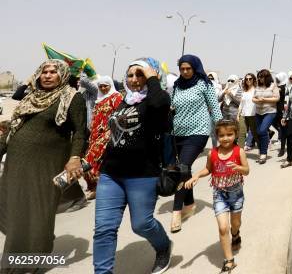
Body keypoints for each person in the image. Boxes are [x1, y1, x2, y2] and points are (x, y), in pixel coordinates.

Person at [0, 60, 87, 266]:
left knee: (39, 211)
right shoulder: (30, 97)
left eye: (53, 72)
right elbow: (13, 129)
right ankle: (30, 250)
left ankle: (27, 262)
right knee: (14, 210)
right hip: (16, 164)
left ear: (63, 75)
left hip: (46, 166)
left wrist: (74, 158)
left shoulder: (72, 98)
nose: (47, 75)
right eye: (44, 72)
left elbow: (80, 133)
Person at [93, 58, 172, 274]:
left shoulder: (158, 99)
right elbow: (113, 135)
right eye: (130, 75)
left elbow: (158, 103)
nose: (135, 79)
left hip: (142, 174)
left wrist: (152, 77)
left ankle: (163, 246)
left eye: (141, 74)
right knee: (104, 230)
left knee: (141, 225)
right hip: (111, 175)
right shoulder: (123, 101)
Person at [185, 120, 249, 273]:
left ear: (235, 135)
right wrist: (196, 176)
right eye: (221, 135)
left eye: (229, 134)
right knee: (222, 228)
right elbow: (208, 169)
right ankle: (229, 260)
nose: (225, 138)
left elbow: (246, 170)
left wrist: (239, 167)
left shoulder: (239, 151)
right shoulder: (212, 153)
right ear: (217, 136)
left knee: (235, 224)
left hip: (236, 194)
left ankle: (236, 235)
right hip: (219, 194)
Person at [168, 55, 222, 234]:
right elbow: (172, 106)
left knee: (181, 168)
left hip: (198, 132)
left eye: (188, 69)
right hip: (178, 133)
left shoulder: (204, 84)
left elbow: (214, 107)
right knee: (185, 169)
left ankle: (177, 211)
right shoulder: (176, 85)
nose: (184, 72)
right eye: (182, 69)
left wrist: (222, 133)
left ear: (195, 68)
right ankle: (189, 203)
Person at [83, 76, 123, 200]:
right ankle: (95, 187)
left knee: (96, 159)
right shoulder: (99, 99)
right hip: (95, 134)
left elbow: (120, 116)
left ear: (111, 85)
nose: (103, 88)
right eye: (101, 86)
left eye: (106, 85)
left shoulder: (117, 97)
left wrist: (111, 132)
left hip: (109, 133)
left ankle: (104, 189)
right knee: (89, 159)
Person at [253, 69, 280, 164]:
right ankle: (261, 152)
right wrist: (257, 100)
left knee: (262, 130)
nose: (260, 79)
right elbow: (253, 98)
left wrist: (264, 99)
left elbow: (277, 98)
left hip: (270, 112)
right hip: (258, 112)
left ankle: (264, 154)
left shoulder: (273, 86)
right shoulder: (257, 87)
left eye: (261, 77)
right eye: (259, 77)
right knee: (258, 133)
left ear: (267, 77)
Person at [239, 73, 257, 151]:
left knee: (255, 134)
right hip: (243, 114)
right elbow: (241, 103)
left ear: (253, 80)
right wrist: (238, 114)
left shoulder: (256, 90)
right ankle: (240, 152)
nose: (248, 80)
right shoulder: (244, 91)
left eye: (250, 79)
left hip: (253, 115)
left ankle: (263, 151)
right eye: (246, 79)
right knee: (241, 133)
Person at [273, 72, 289, 157]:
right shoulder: (277, 87)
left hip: (284, 111)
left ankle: (282, 149)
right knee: (281, 129)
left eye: (278, 79)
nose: (277, 80)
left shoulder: (286, 88)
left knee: (283, 130)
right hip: (277, 111)